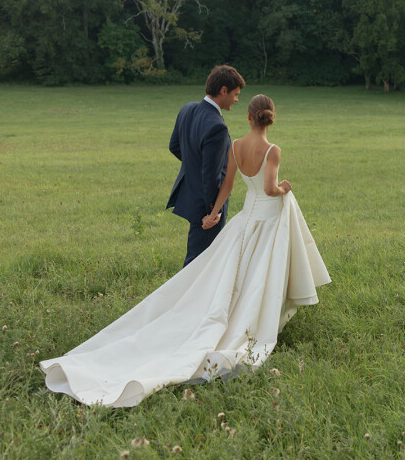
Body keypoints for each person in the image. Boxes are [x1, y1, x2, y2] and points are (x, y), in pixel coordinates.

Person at [39, 95, 330, 408]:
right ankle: (258, 316)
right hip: (268, 219)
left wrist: (213, 214)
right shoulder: (273, 150)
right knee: (262, 270)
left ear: (249, 117)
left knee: (238, 269)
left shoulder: (235, 146)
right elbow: (271, 189)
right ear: (271, 118)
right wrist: (285, 187)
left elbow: (228, 185)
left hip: (246, 220)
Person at [167, 65, 245, 267]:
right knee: (200, 262)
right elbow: (212, 177)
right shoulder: (217, 126)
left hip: (191, 195)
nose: (237, 100)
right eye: (236, 94)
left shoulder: (187, 109)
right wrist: (213, 212)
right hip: (208, 204)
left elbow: (174, 146)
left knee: (199, 257)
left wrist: (194, 167)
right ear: (224, 90)